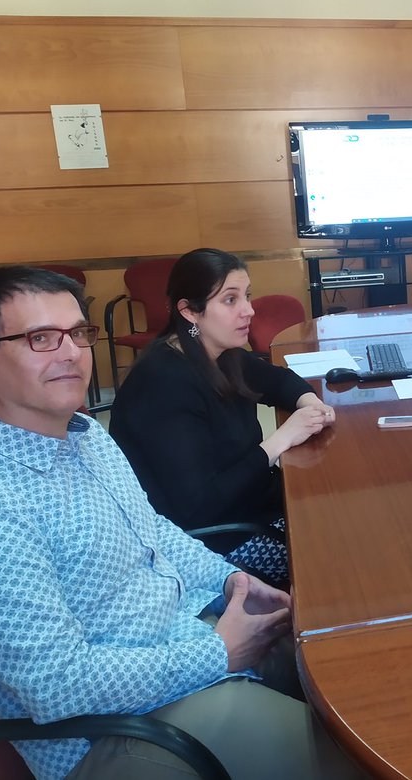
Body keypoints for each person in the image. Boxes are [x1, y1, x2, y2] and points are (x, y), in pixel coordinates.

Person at [0, 266, 362, 779]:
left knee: (347, 675)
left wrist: (230, 580)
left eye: (78, 334)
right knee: (346, 762)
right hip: (113, 731)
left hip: (183, 638)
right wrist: (216, 654)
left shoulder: (84, 435)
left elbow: (151, 530)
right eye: (40, 338)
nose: (70, 353)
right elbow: (56, 685)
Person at [110, 248, 334, 586]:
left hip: (251, 508)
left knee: (344, 525)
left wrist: (308, 401)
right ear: (189, 311)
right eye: (230, 300)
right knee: (331, 565)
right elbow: (199, 507)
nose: (249, 310)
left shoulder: (219, 353)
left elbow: (277, 379)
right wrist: (280, 440)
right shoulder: (163, 383)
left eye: (247, 296)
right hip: (212, 541)